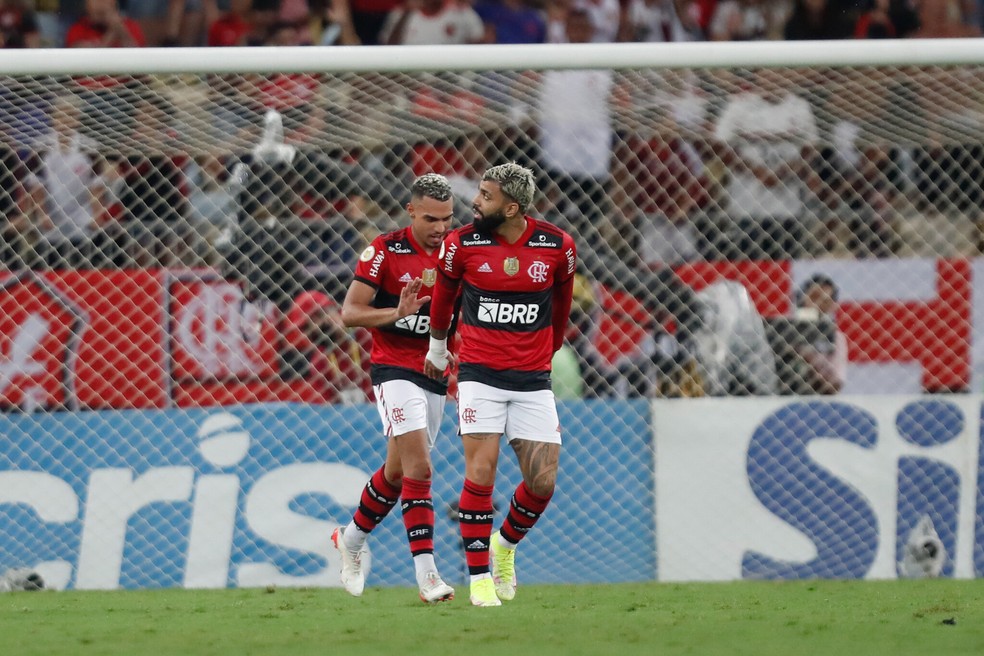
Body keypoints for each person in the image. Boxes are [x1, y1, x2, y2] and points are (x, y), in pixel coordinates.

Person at [424, 163, 577, 607]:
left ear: (512, 207)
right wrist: (437, 347)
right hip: (478, 376)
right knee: (481, 472)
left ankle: (504, 546)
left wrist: (543, 356)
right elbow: (445, 299)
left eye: (485, 196)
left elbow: (561, 311)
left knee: (542, 481)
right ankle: (479, 581)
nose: (475, 202)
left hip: (531, 379)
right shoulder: (462, 244)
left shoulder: (556, 246)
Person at [330, 173, 457, 604]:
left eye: (447, 218)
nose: (440, 227)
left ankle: (349, 540)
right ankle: (428, 577)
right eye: (430, 218)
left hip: (435, 373)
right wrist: (396, 314)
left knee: (397, 473)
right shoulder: (384, 251)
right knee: (420, 469)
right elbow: (349, 314)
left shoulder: (457, 251)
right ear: (410, 211)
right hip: (394, 369)